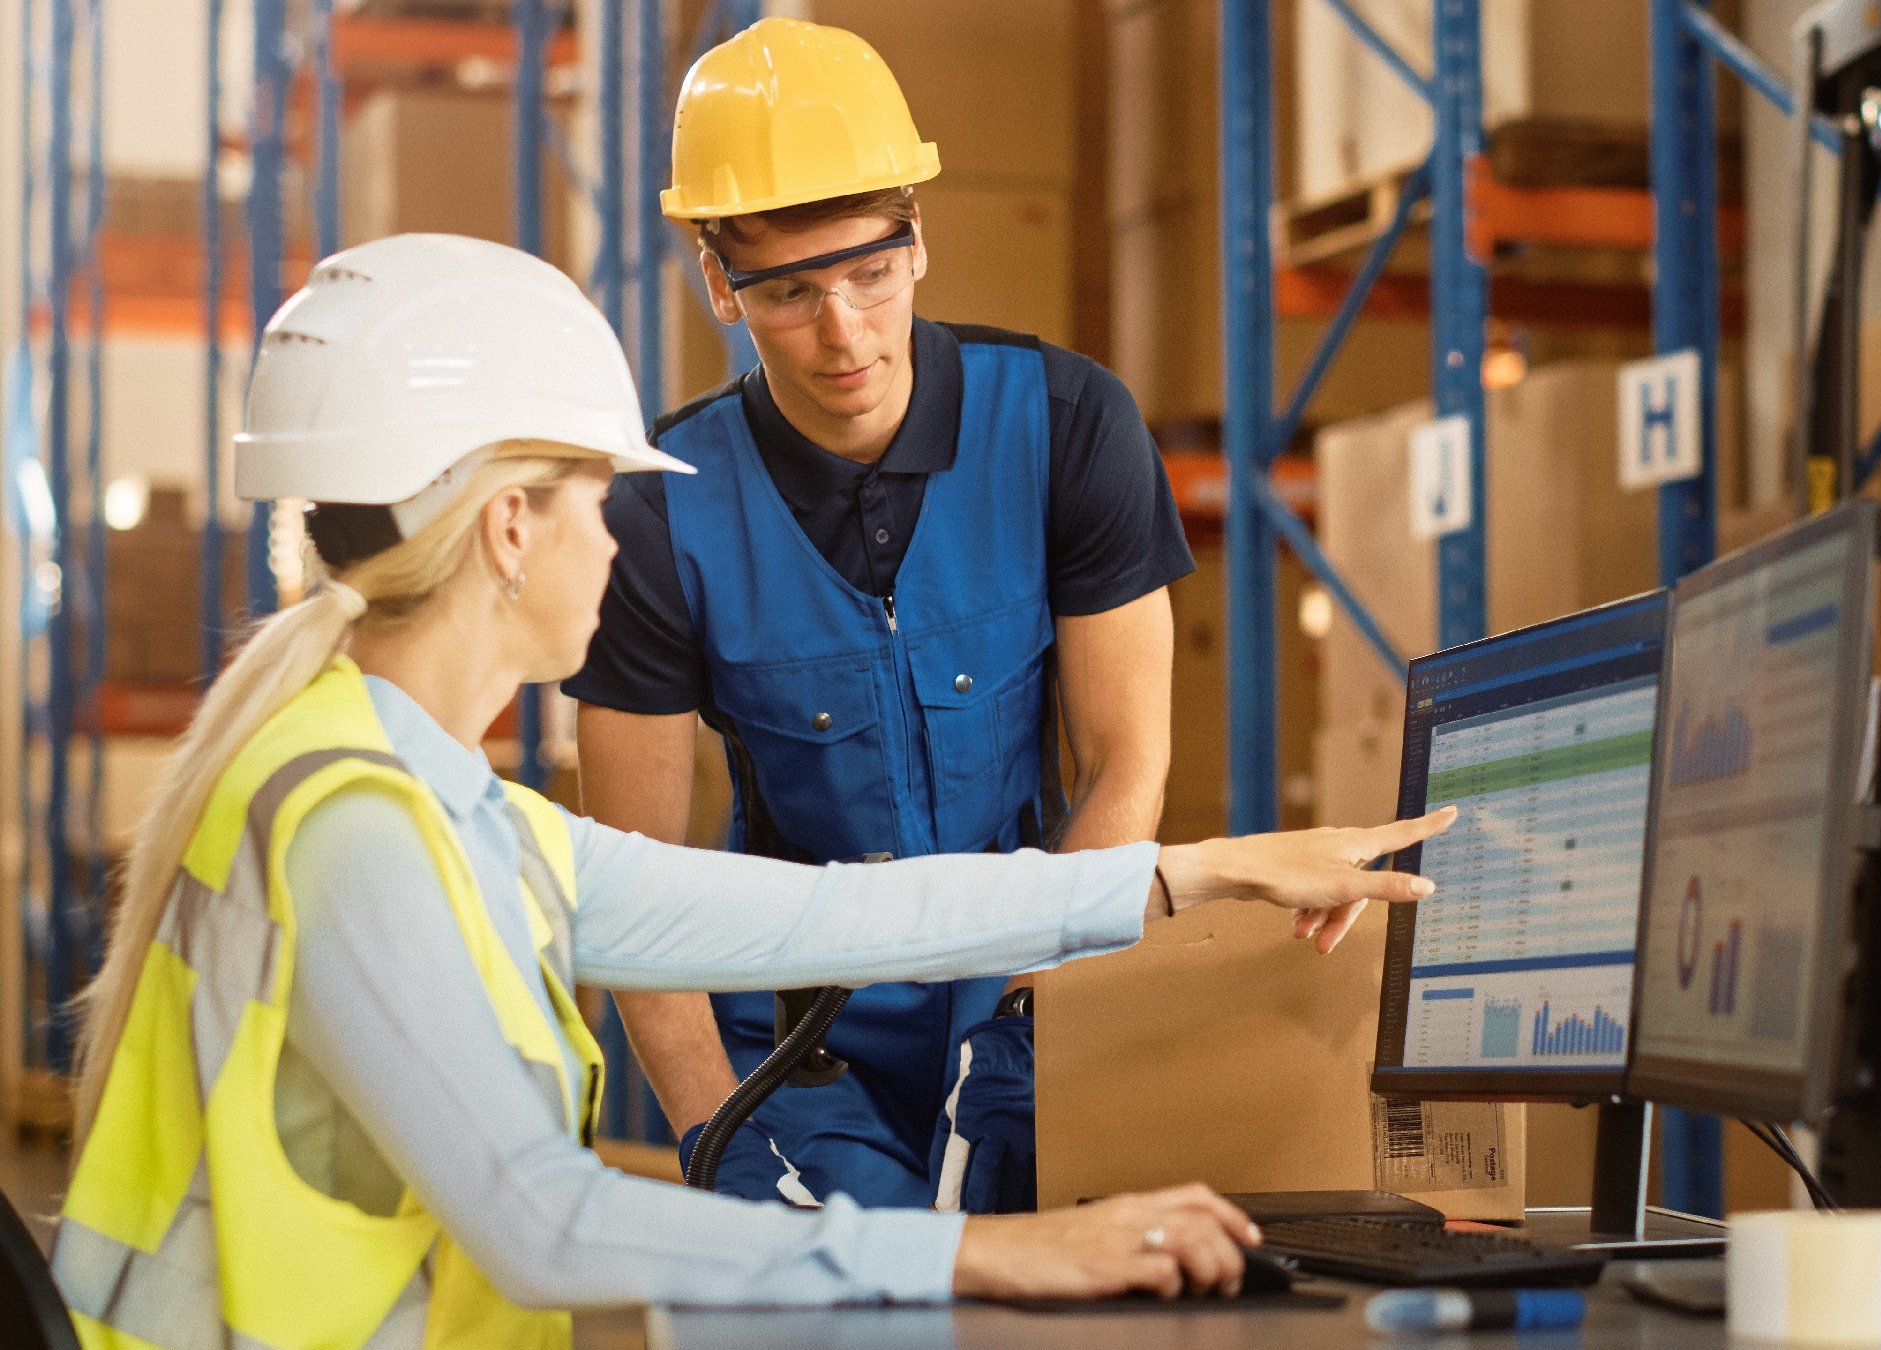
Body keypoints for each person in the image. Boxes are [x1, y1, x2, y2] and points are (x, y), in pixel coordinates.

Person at [55, 235, 1449, 1345]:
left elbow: (813, 922)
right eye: (603, 500)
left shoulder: (442, 809)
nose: (625, 541)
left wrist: (1192, 872)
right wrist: (996, 1250)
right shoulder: (351, 829)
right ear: (507, 528)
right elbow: (543, 1220)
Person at [564, 17, 1196, 1211]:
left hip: (1025, 994)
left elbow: (1127, 763)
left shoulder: (1068, 425)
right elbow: (631, 883)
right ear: (718, 283)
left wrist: (1034, 1006)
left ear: (919, 239)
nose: (845, 333)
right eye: (793, 292)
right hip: (798, 1045)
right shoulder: (658, 516)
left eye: (869, 273)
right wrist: (713, 1129)